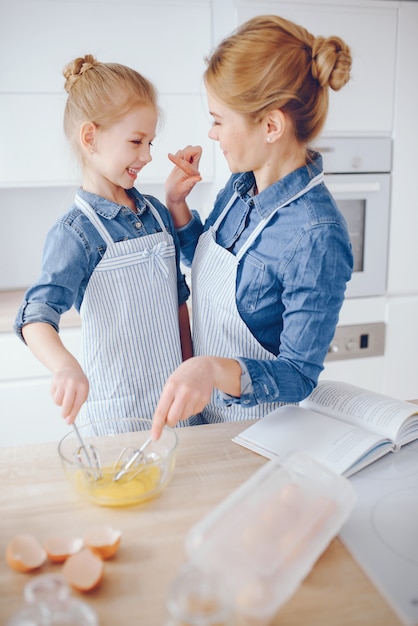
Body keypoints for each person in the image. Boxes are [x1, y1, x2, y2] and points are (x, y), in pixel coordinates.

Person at [151, 14, 354, 439]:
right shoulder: (243, 185)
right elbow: (205, 265)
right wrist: (177, 205)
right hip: (208, 423)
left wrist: (211, 370)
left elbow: (298, 375)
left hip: (262, 439)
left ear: (271, 126)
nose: (211, 133)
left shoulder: (317, 235)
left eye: (220, 119)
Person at [14, 55, 199, 431]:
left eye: (150, 142)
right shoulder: (76, 232)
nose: (147, 155)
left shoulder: (158, 216)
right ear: (90, 137)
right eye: (136, 141)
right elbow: (34, 316)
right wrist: (65, 366)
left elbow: (179, 301)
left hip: (178, 406)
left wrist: (192, 366)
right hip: (119, 415)